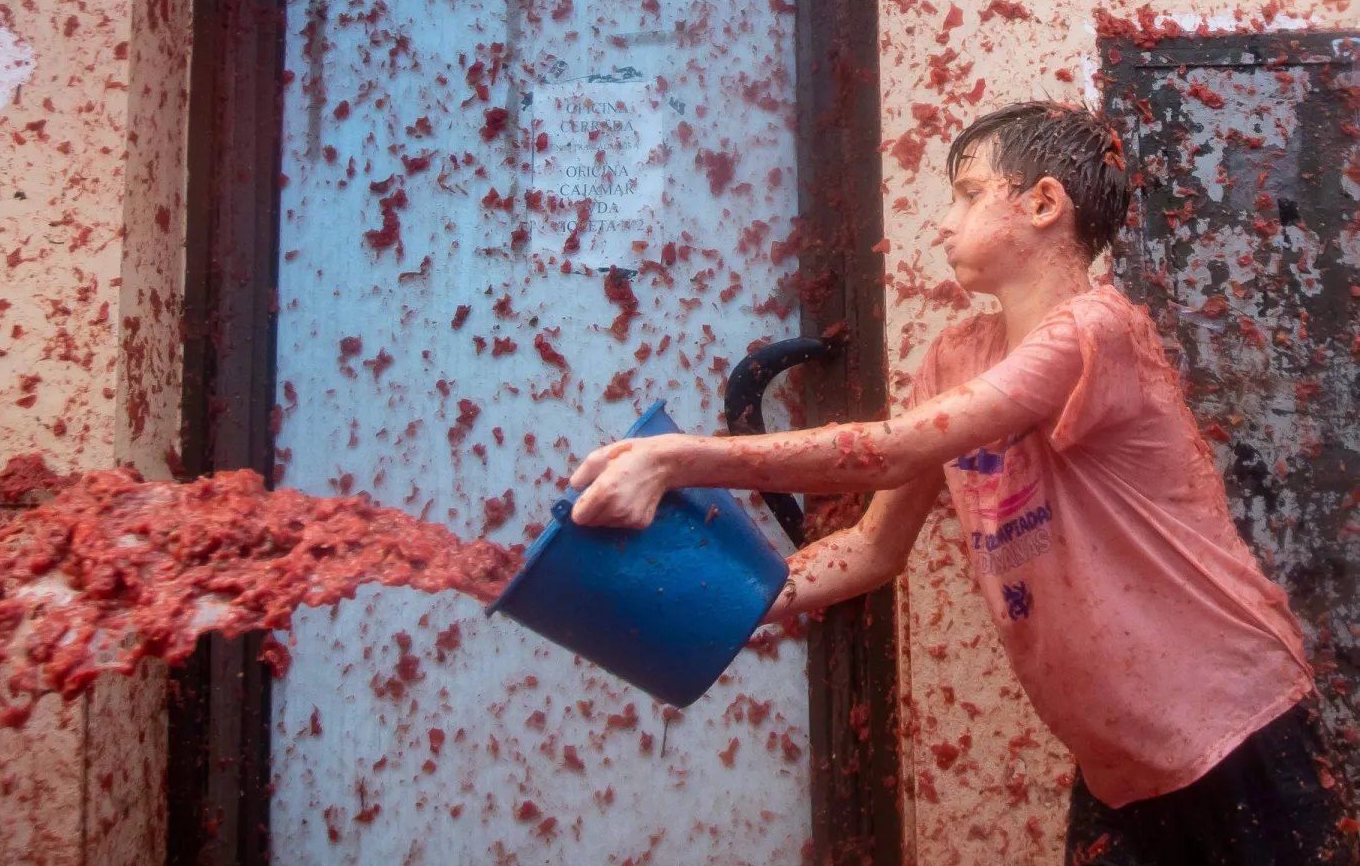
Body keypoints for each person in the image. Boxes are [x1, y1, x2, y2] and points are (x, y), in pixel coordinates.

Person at [568, 101, 1359, 865]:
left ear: (1044, 203)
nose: (944, 221)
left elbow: (897, 450)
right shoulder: (952, 359)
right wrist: (717, 599)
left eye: (969, 193)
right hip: (1120, 768)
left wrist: (678, 458)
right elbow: (874, 549)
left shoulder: (1099, 328)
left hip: (1236, 725)